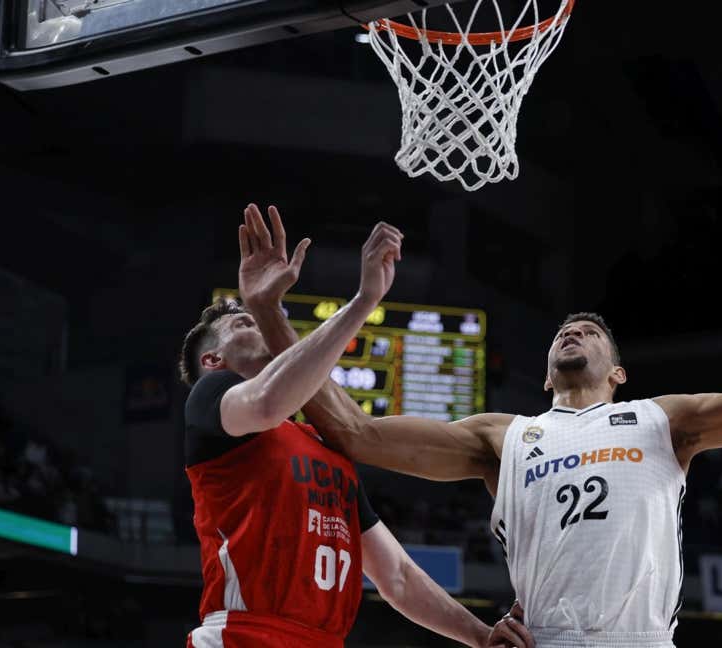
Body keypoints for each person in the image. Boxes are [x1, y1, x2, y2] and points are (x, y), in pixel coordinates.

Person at [235, 201, 722, 648]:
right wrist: (269, 313)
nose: (575, 330)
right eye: (565, 331)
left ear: (620, 372)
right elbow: (356, 432)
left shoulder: (661, 420)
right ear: (547, 375)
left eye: (593, 331)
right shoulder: (502, 436)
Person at [177, 218, 532, 648]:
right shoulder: (211, 397)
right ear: (213, 360)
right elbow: (269, 401)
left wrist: (481, 635)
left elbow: (397, 577)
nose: (256, 325)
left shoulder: (324, 445)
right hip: (243, 633)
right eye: (242, 325)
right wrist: (364, 301)